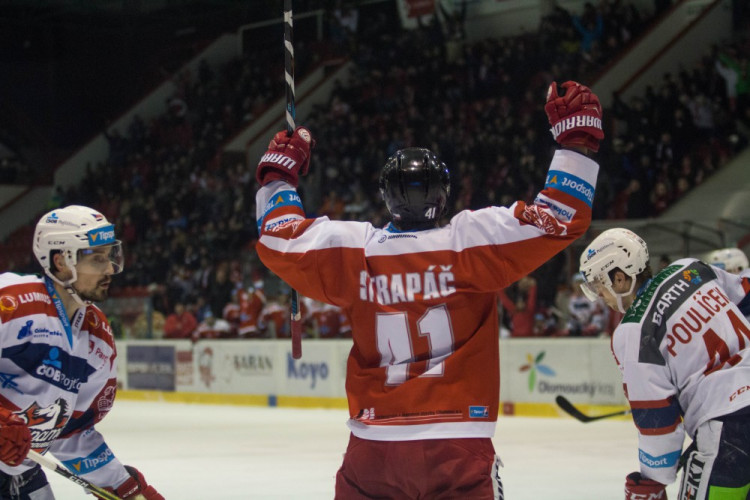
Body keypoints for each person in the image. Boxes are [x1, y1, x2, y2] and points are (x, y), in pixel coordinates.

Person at [254, 80, 603, 498]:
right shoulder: (471, 242)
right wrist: (575, 141)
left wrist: (278, 175)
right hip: (458, 445)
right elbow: (563, 215)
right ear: (444, 192)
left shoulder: (354, 250)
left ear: (386, 196)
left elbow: (277, 237)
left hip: (374, 448)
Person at [0, 205, 163, 499]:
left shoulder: (98, 339)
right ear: (61, 261)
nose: (110, 268)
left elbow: (70, 433)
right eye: (97, 259)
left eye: (110, 256)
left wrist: (123, 487)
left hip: (20, 471)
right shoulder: (11, 302)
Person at [578, 228, 750, 500]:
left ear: (619, 278)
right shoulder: (691, 269)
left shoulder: (633, 331)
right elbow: (745, 294)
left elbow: (657, 421)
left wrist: (652, 481)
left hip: (728, 432)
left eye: (599, 286)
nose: (601, 296)